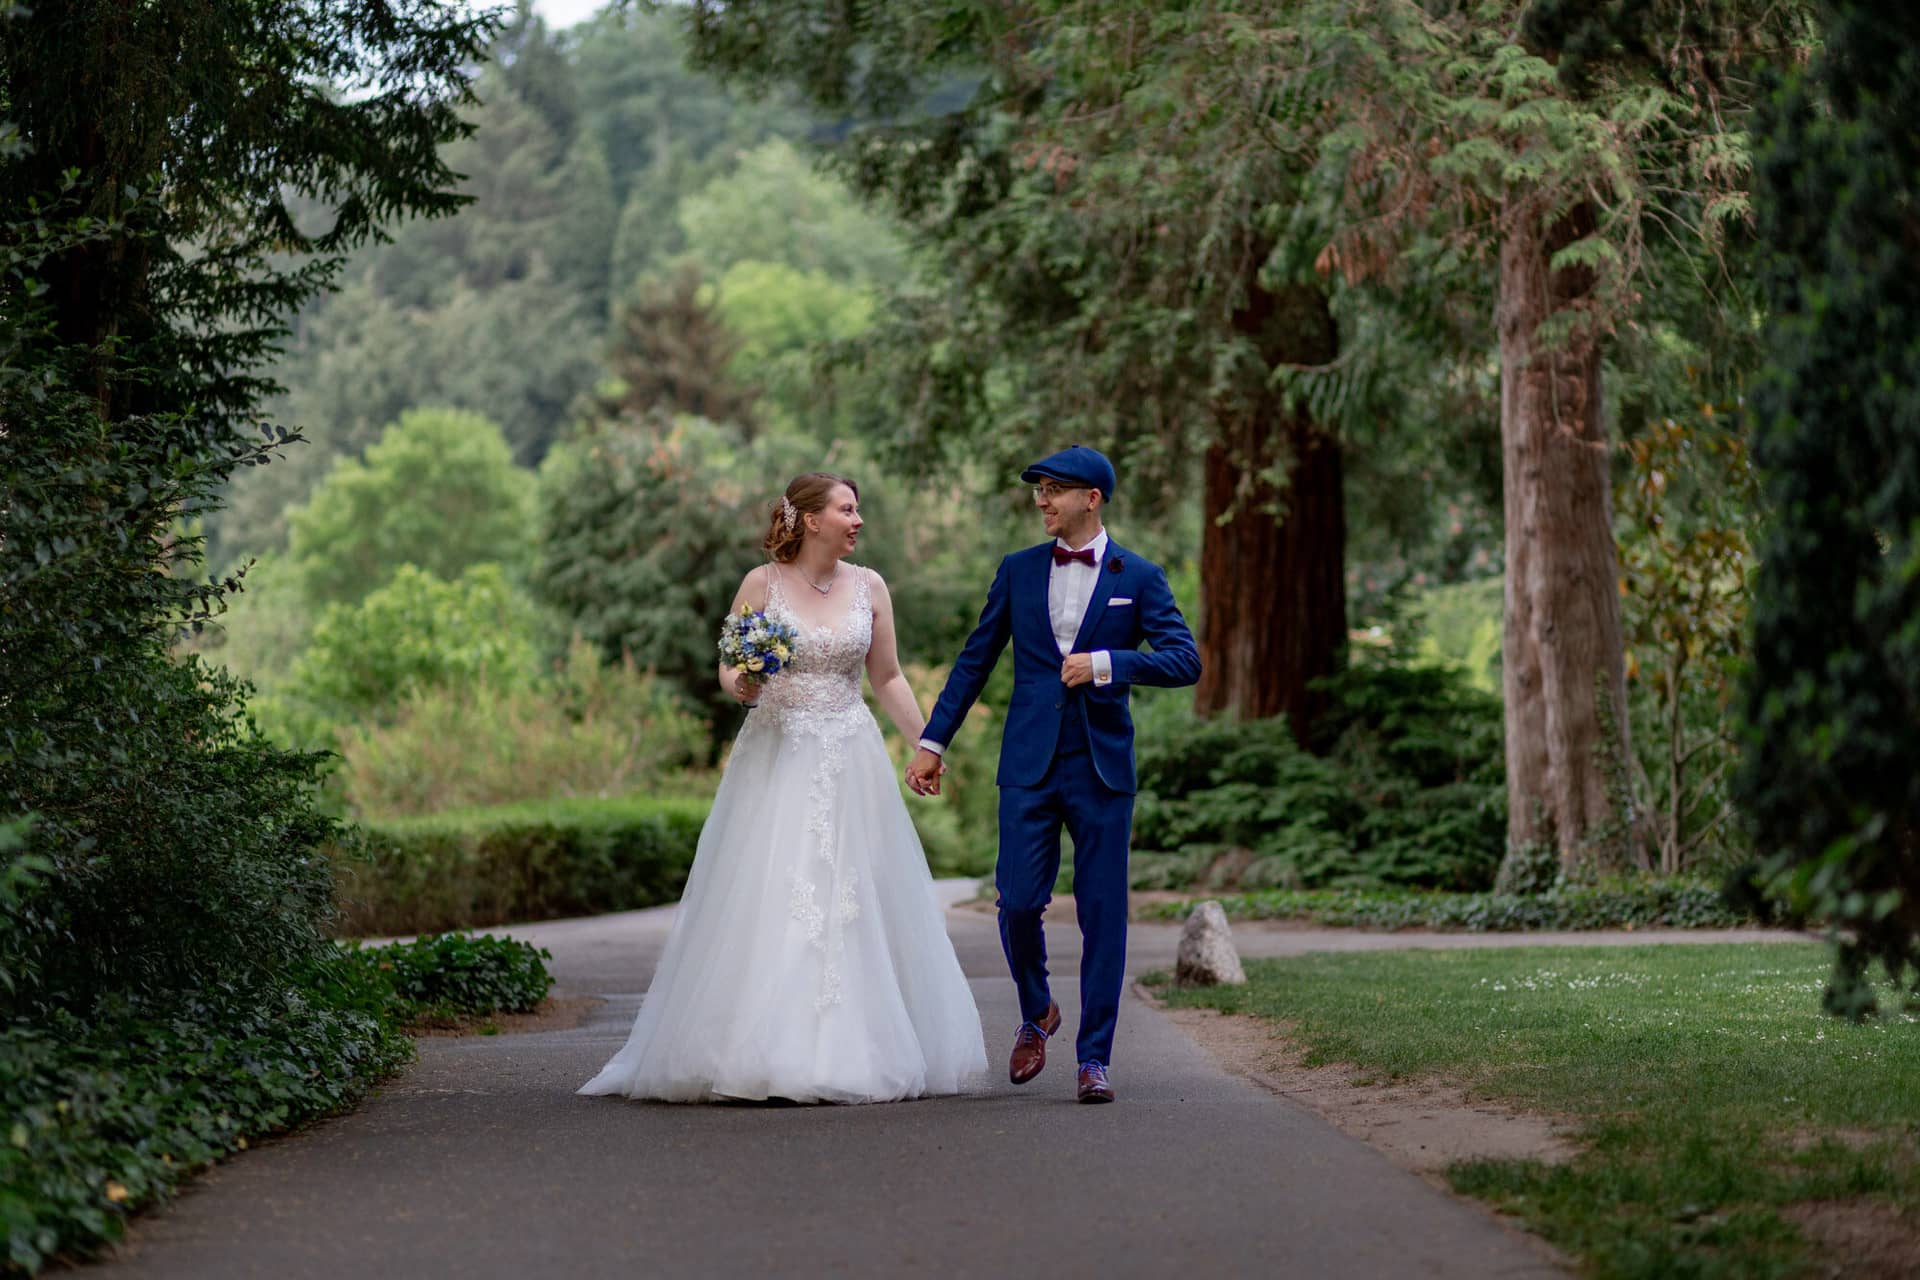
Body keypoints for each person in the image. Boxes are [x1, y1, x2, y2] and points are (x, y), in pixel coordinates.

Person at [580, 472, 986, 1104]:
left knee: (854, 896)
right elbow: (730, 662)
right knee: (773, 891)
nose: (858, 520)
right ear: (811, 519)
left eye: (859, 510)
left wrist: (925, 743)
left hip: (849, 756)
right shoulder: (762, 583)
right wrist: (737, 683)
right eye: (847, 509)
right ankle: (756, 1050)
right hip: (777, 753)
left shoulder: (870, 586)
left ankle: (853, 1046)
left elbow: (889, 677)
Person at [906, 446, 1200, 1104]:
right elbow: (974, 660)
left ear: (1091, 498)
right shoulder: (1016, 571)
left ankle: (1094, 1059)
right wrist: (933, 740)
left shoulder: (1140, 576)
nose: (1041, 500)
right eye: (1038, 490)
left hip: (1101, 770)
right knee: (1014, 902)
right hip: (1028, 765)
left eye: (1054, 490)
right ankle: (1037, 1011)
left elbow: (1185, 660)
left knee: (1103, 915)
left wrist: (1105, 663)